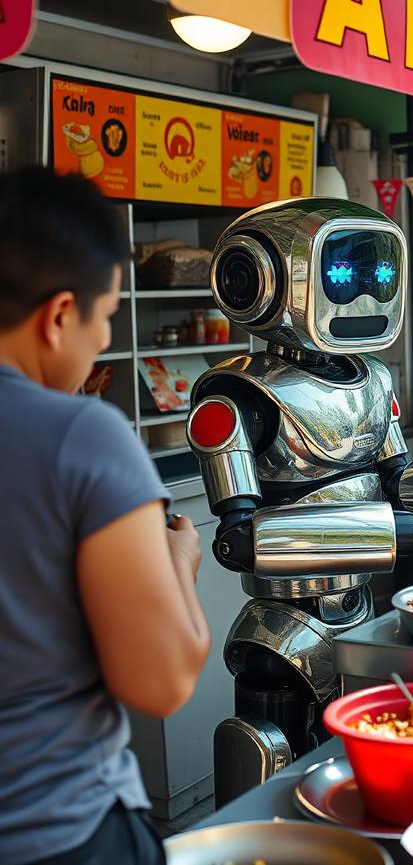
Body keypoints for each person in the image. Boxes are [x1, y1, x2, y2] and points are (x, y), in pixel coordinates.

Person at [0, 167, 210, 865]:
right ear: (60, 315)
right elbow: (162, 682)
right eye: (109, 315)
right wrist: (180, 566)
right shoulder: (82, 435)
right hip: (60, 833)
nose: (102, 341)